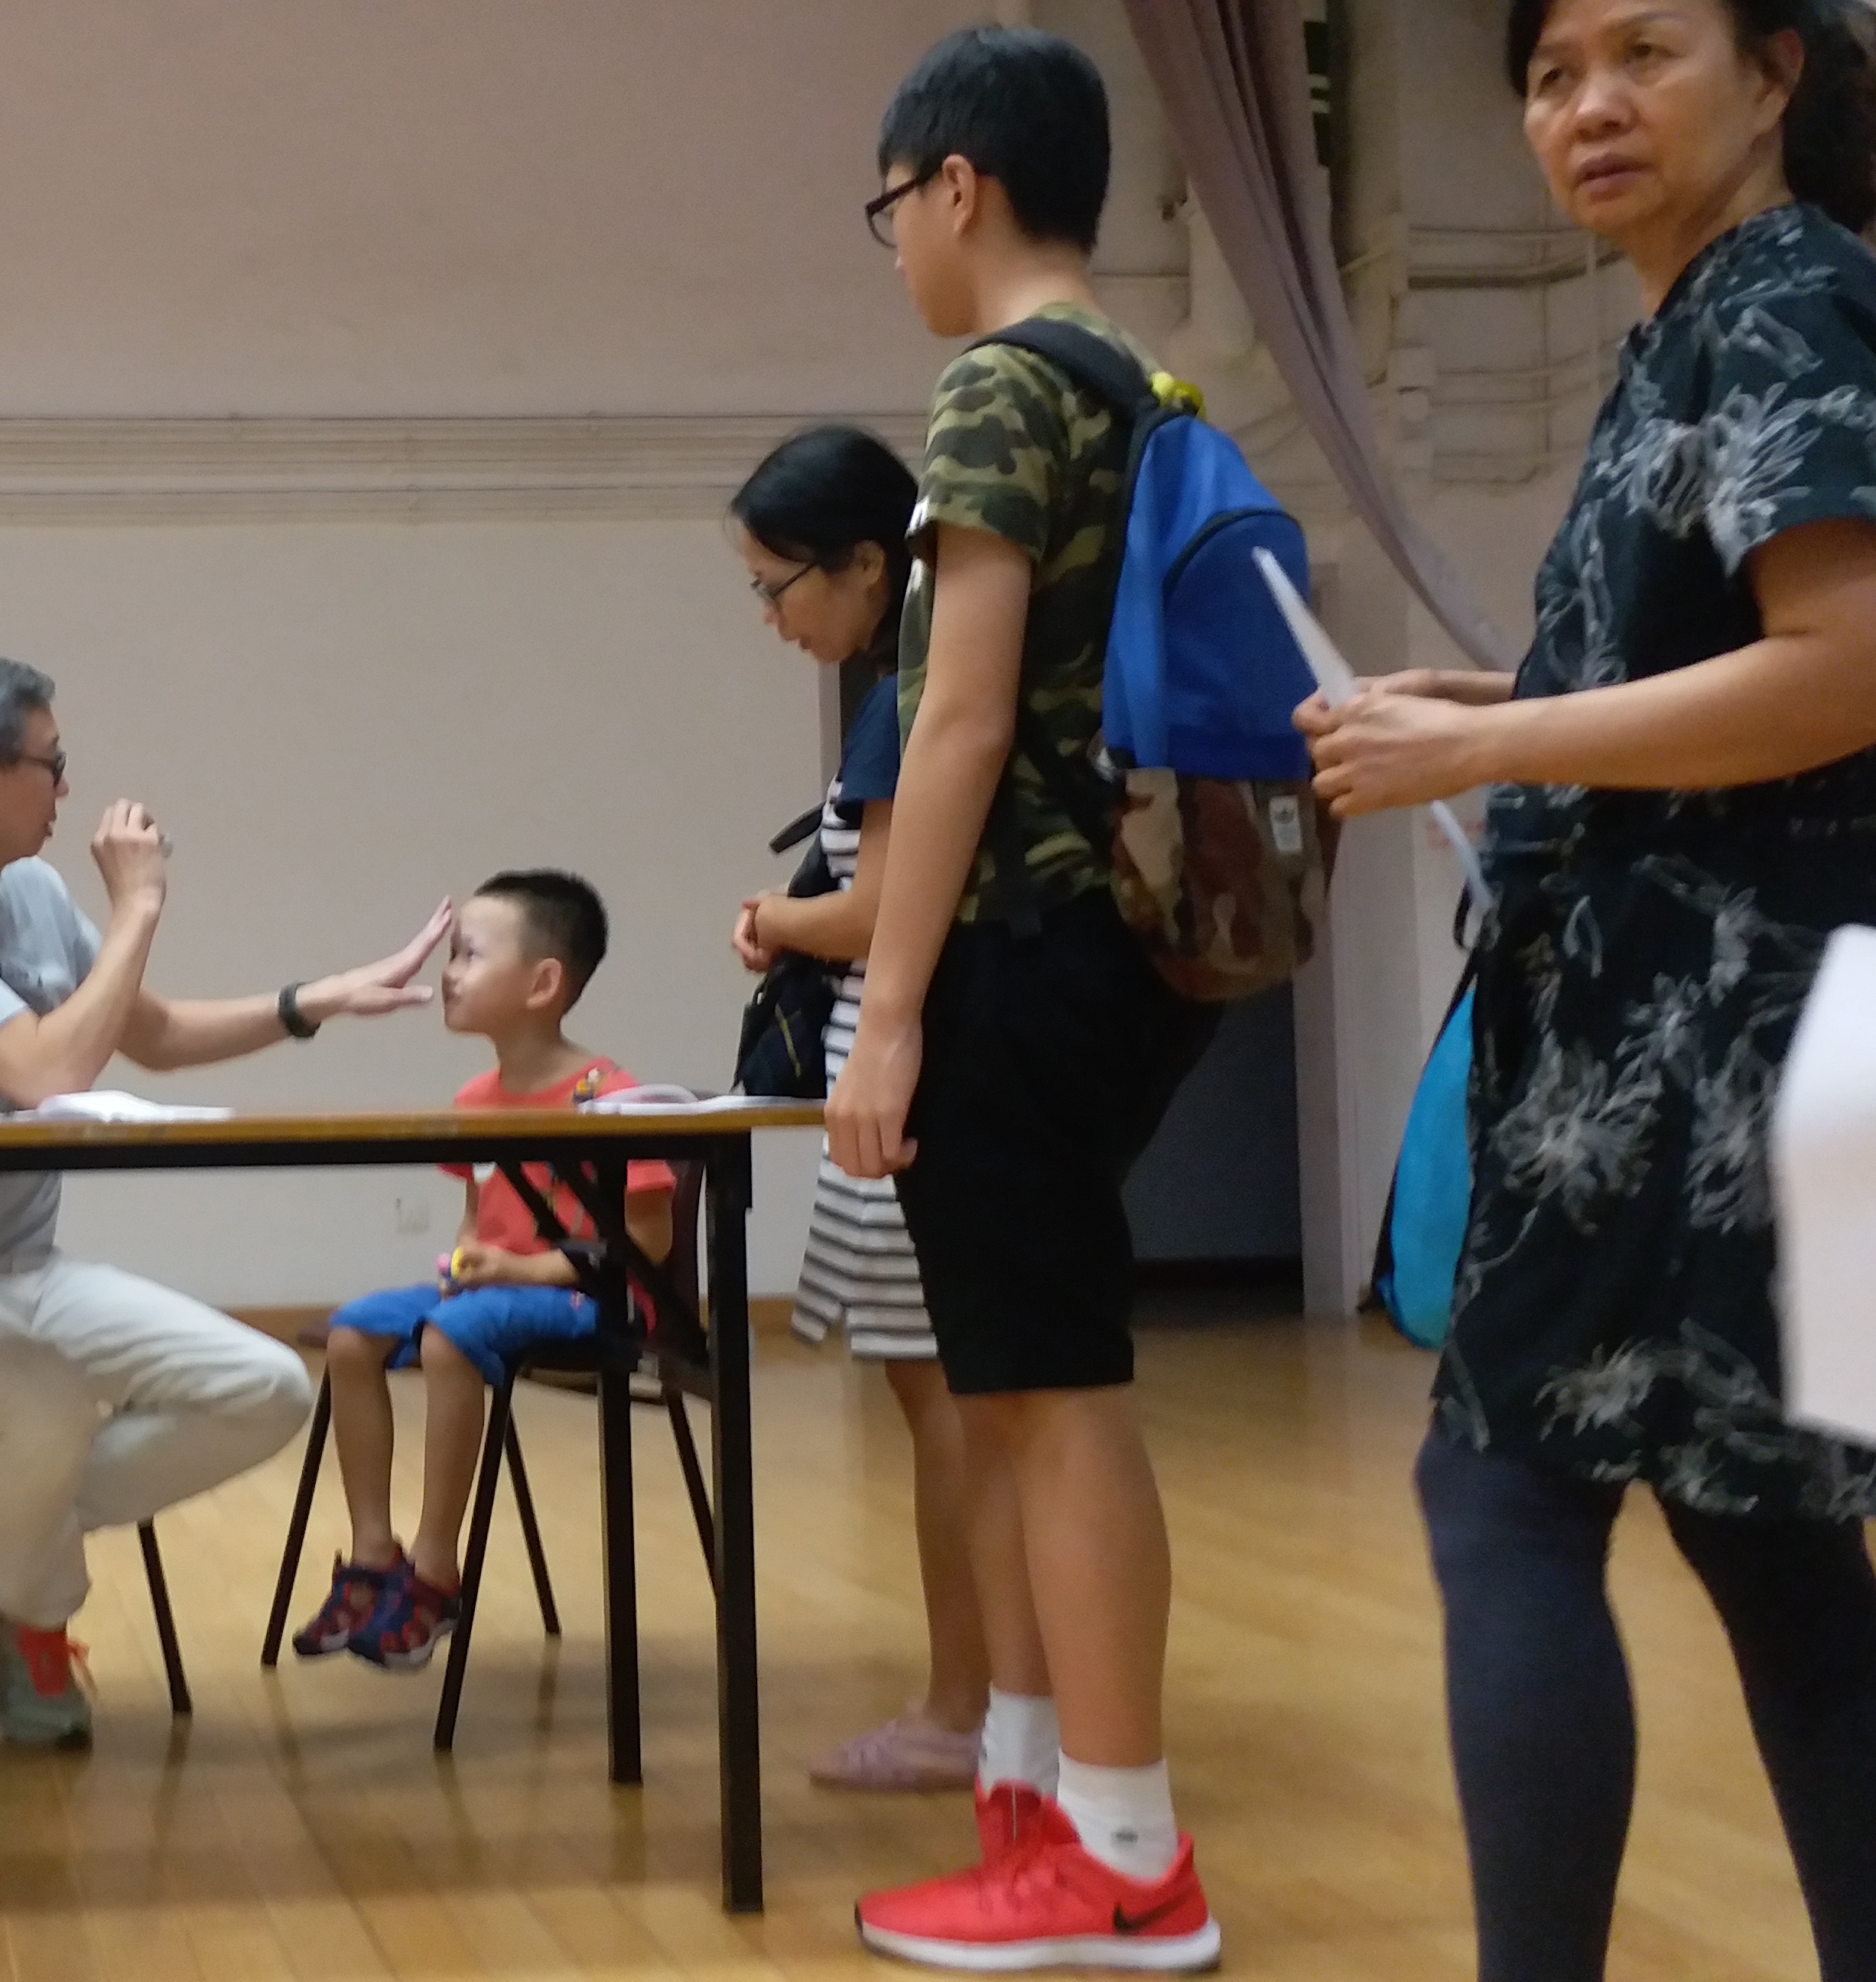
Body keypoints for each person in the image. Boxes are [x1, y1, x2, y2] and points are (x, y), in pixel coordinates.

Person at [1299, 3, 1876, 1973]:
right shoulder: (1712, 314)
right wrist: (1499, 699)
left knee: (1507, 1501)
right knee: (1775, 1546)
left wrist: (1487, 748)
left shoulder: (1779, 299)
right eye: (1554, 76)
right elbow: (1733, 658)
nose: (1590, 107)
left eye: (1646, 51)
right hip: (1771, 1026)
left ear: (1777, 70)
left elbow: (1857, 663)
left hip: (1716, 1035)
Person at [830, 27, 1231, 1969]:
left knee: (1055, 1401)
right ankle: (1032, 1803)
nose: (898, 246)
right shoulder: (1144, 386)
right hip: (1126, 944)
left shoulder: (997, 382)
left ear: (955, 187)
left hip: (1024, 948)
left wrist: (892, 1004)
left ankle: (1129, 1858)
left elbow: (962, 720)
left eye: (891, 210)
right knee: (1010, 1391)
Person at [0, 645, 452, 1749]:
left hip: (18, 1271)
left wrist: (314, 1001)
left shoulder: (33, 894)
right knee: (39, 1399)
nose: (67, 788)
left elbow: (156, 1034)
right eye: (50, 763)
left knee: (265, 1388)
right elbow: (49, 1069)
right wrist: (138, 906)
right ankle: (37, 1621)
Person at [727, 425, 992, 1798]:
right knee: (947, 1399)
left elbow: (882, 909)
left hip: (903, 1089)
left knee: (945, 1404)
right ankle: (991, 1703)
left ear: (865, 567)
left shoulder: (904, 701)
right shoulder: (910, 690)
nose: (772, 618)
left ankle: (964, 1709)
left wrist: (777, 917)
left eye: (779, 585)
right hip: (910, 1081)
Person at [286, 871, 678, 1672]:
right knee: (353, 1333)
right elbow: (479, 1215)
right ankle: (374, 1554)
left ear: (543, 983)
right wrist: (471, 1258)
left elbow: (649, 1240)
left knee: (450, 1336)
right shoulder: (476, 1097)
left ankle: (436, 1569)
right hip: (495, 1291)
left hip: (588, 1299)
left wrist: (522, 1271)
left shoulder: (610, 1098)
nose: (449, 974)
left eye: (469, 955)